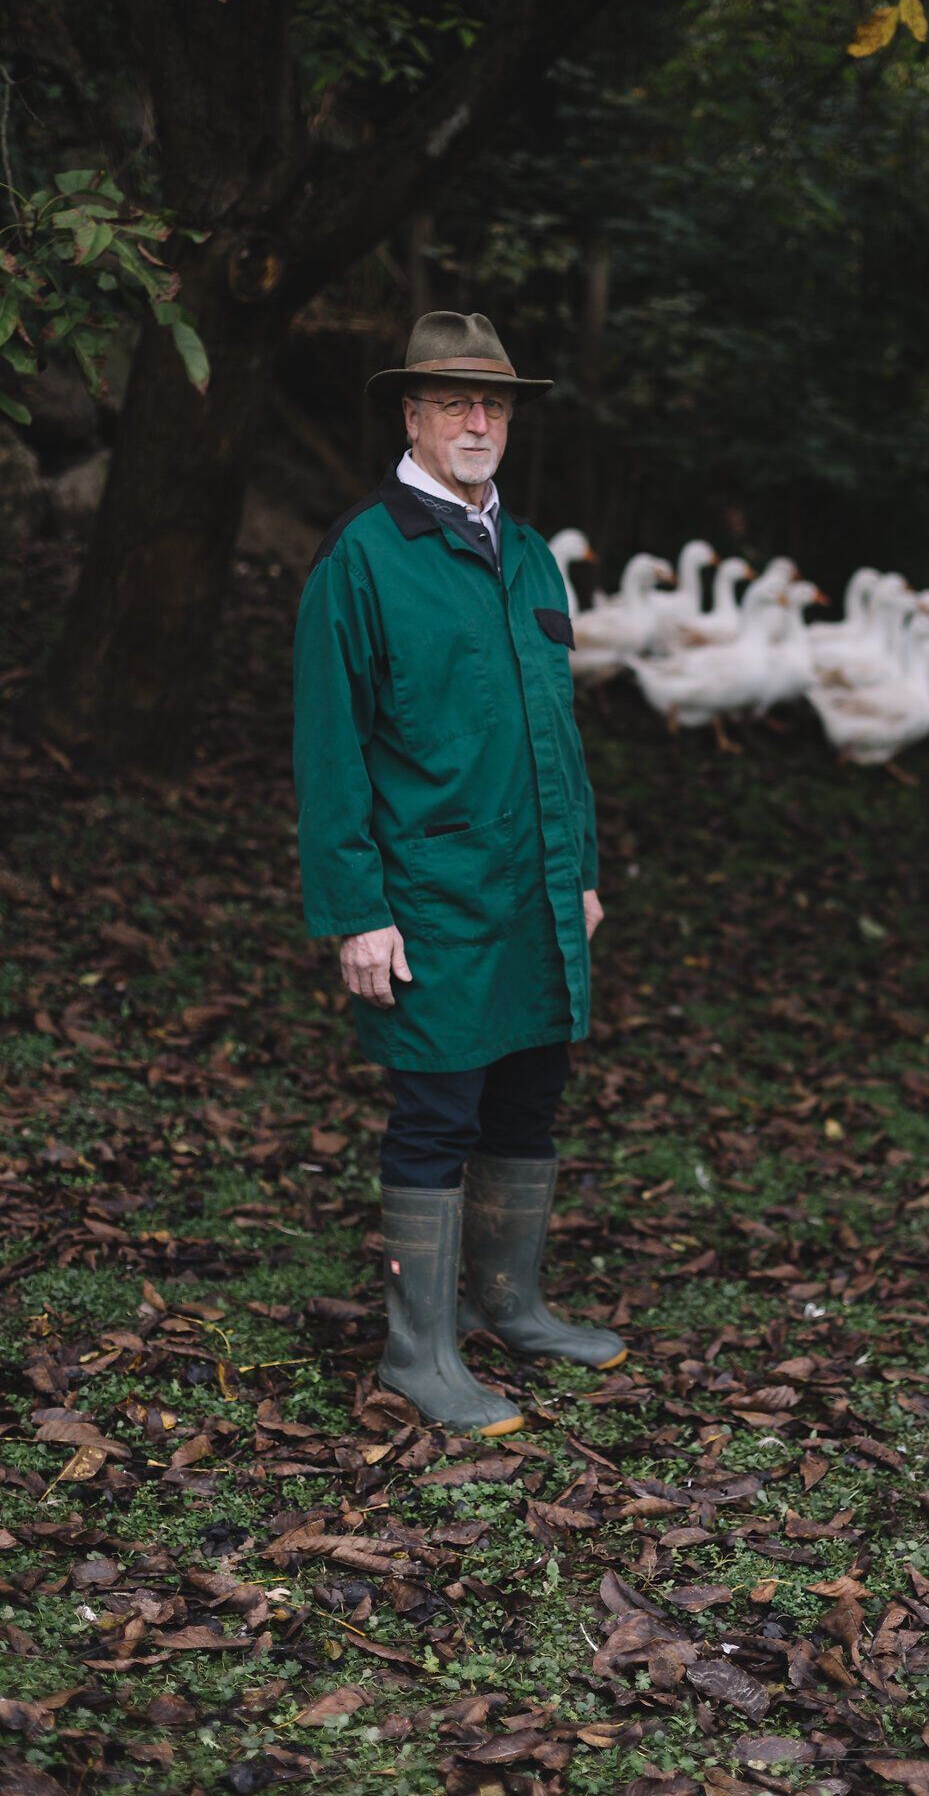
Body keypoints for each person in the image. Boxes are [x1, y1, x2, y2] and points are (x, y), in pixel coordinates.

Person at [292, 310, 623, 1439]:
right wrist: (355, 912)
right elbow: (330, 753)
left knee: (528, 1097)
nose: (477, 420)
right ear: (411, 415)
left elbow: (556, 730)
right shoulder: (364, 558)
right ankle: (417, 1351)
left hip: (533, 886)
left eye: (493, 404)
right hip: (428, 895)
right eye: (452, 403)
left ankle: (510, 1304)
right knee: (437, 1111)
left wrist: (575, 867)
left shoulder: (526, 553)